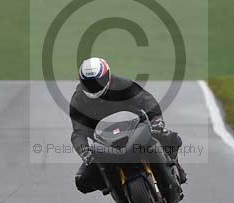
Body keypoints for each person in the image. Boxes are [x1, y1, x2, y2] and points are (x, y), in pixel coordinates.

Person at [70, 57, 187, 194]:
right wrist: (85, 152)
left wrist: (156, 120)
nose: (94, 86)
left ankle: (175, 166)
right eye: (89, 82)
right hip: (105, 143)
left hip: (134, 129)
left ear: (107, 76)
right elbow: (78, 132)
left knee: (169, 138)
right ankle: (114, 188)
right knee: (83, 180)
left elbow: (146, 100)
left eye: (98, 81)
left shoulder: (121, 84)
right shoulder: (78, 100)